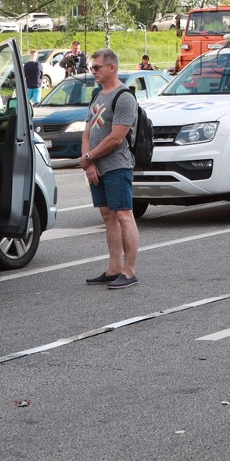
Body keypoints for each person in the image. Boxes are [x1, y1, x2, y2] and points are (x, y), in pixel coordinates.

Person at [79, 47, 141, 289]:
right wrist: (89, 162)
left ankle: (129, 270)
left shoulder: (124, 97)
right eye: (91, 67)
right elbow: (87, 131)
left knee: (124, 215)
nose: (92, 71)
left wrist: (89, 157)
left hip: (117, 165)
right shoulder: (97, 95)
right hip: (97, 166)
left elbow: (117, 138)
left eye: (96, 67)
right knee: (108, 216)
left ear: (111, 68)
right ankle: (114, 268)